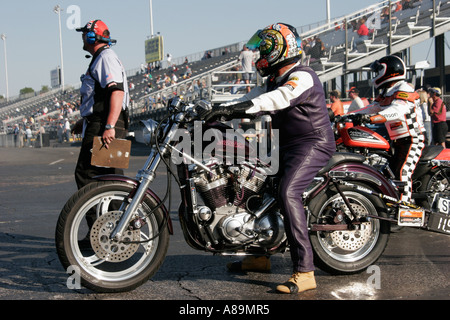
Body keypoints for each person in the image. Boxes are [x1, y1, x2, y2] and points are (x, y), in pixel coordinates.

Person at [200, 23, 335, 294]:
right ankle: (260, 256)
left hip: (312, 144)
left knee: (287, 193)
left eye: (263, 49)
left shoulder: (303, 76)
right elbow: (249, 98)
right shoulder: (273, 80)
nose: (259, 53)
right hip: (284, 145)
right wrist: (215, 109)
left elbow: (278, 99)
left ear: (279, 49)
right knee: (256, 190)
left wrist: (239, 108)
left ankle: (305, 271)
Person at [354, 55, 425, 203]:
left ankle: (404, 206)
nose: (375, 75)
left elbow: (397, 110)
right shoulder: (387, 92)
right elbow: (372, 108)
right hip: (396, 140)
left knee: (402, 172)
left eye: (378, 71)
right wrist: (345, 116)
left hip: (412, 138)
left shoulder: (404, 88)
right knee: (389, 173)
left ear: (388, 71)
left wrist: (371, 118)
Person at [74, 20, 129, 190]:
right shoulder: (102, 57)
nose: (82, 37)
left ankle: (108, 216)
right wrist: (85, 121)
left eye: (85, 34)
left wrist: (109, 125)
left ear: (92, 37)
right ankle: (114, 215)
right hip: (101, 122)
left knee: (87, 175)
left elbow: (117, 92)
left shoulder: (105, 57)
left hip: (104, 124)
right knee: (108, 177)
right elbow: (101, 96)